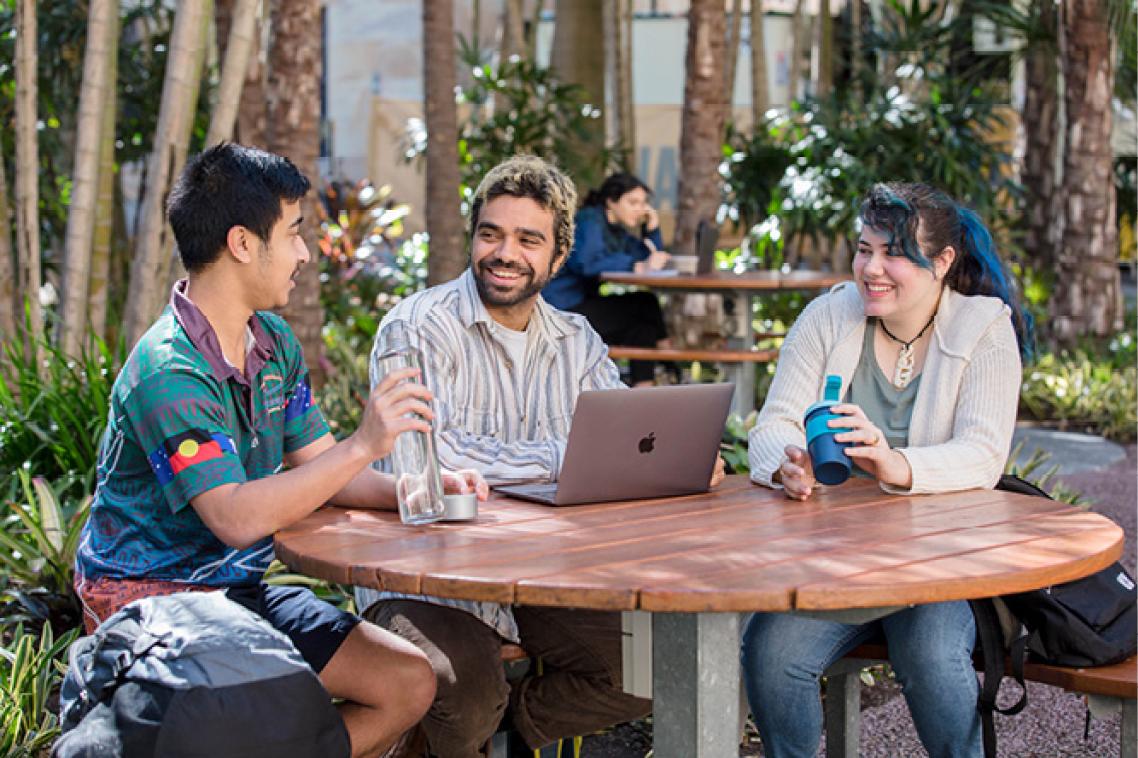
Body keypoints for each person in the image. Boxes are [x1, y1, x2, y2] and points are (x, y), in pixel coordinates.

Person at [73, 143, 488, 758]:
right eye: (293, 233)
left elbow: (324, 471)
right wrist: (365, 443)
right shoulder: (168, 370)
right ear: (243, 243)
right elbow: (235, 517)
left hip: (236, 591)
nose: (303, 252)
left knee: (407, 682)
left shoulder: (271, 342)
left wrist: (419, 489)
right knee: (269, 713)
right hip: (153, 602)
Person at [356, 155, 726, 757]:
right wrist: (569, 455)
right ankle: (465, 731)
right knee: (464, 687)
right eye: (490, 234)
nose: (504, 253)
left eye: (528, 240)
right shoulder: (417, 327)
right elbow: (426, 456)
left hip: (542, 577)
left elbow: (628, 439)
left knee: (652, 668)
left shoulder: (576, 341)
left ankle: (494, 736)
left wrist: (681, 458)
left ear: (558, 258)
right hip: (425, 579)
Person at [741, 182, 1032, 758]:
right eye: (863, 249)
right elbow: (775, 423)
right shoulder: (829, 315)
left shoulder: (983, 328)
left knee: (929, 658)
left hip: (940, 565)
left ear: (943, 262)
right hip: (837, 563)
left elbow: (983, 454)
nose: (872, 268)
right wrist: (786, 466)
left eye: (893, 253)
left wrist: (892, 462)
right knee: (771, 655)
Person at [542, 172, 672, 386]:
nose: (641, 209)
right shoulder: (589, 220)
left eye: (644, 203)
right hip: (562, 308)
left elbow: (651, 259)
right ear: (611, 201)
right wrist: (634, 266)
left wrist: (652, 227)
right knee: (645, 302)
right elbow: (586, 263)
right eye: (633, 202)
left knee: (643, 330)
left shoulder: (617, 231)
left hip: (584, 305)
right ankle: (671, 365)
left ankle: (643, 394)